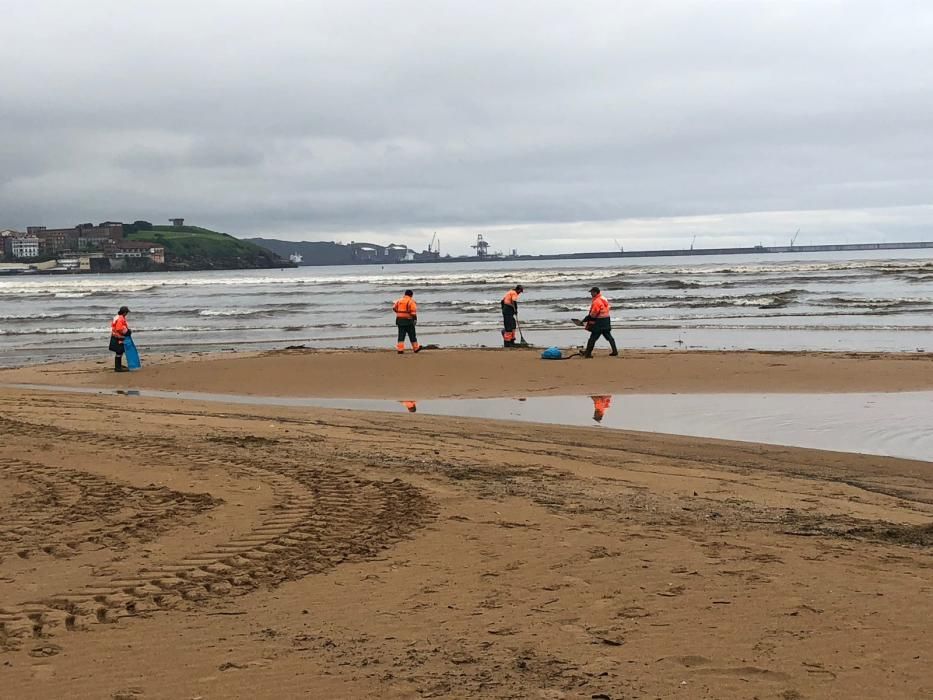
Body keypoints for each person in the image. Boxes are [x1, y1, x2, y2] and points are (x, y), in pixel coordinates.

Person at [581, 287, 618, 358]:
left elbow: (593, 313)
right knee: (608, 336)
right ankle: (615, 351)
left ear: (595, 292)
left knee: (593, 337)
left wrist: (587, 318)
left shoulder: (596, 301)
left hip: (599, 321)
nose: (591, 294)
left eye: (591, 292)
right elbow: (607, 307)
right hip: (606, 319)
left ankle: (587, 353)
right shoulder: (603, 298)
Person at [393, 289, 421, 354]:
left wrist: (399, 313)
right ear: (411, 295)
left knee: (401, 335)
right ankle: (416, 348)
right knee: (412, 335)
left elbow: (394, 308)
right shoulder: (411, 301)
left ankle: (400, 350)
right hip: (408, 321)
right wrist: (415, 319)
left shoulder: (399, 301)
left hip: (399, 320)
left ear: (405, 294)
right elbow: (413, 312)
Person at [109, 306, 131, 372]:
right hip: (118, 337)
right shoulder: (120, 319)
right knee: (119, 351)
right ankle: (118, 368)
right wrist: (126, 332)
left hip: (115, 336)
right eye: (126, 312)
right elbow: (119, 329)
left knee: (119, 351)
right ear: (124, 312)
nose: (127, 314)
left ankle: (118, 365)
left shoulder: (117, 317)